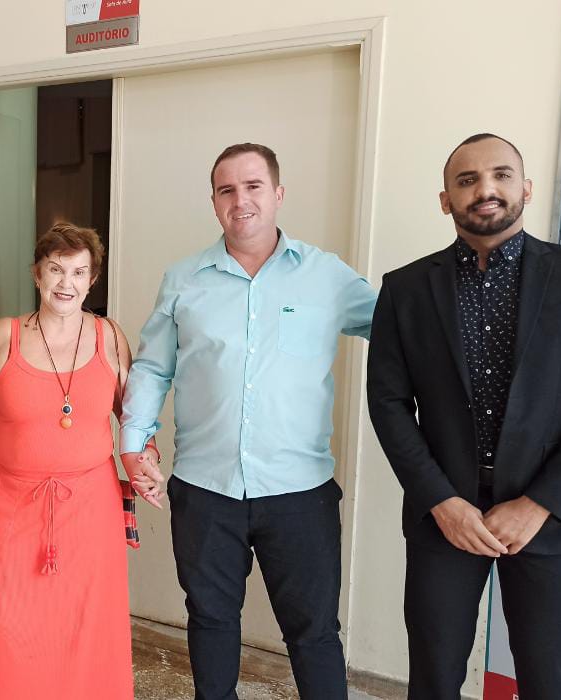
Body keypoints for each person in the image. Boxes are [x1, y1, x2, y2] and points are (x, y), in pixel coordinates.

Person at [120, 143, 377, 699]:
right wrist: (134, 442)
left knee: (314, 635)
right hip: (205, 491)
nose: (242, 200)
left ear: (278, 193)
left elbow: (400, 333)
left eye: (254, 186)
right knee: (211, 622)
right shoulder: (184, 278)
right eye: (227, 190)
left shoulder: (326, 276)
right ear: (214, 201)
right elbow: (152, 366)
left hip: (300, 494)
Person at [367, 133, 561, 698]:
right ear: (446, 199)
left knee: (555, 682)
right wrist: (441, 502)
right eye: (467, 180)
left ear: (525, 188)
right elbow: (389, 404)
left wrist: (541, 503)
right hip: (444, 517)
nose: (486, 190)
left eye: (500, 175)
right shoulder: (405, 289)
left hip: (551, 519)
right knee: (434, 675)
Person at [0, 222, 159, 699]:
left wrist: (146, 457)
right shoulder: (3, 336)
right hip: (15, 503)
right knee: (6, 623)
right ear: (36, 274)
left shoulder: (109, 337)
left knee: (88, 627)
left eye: (78, 271)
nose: (65, 283)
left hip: (92, 509)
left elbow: (131, 414)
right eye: (55, 269)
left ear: (92, 281)